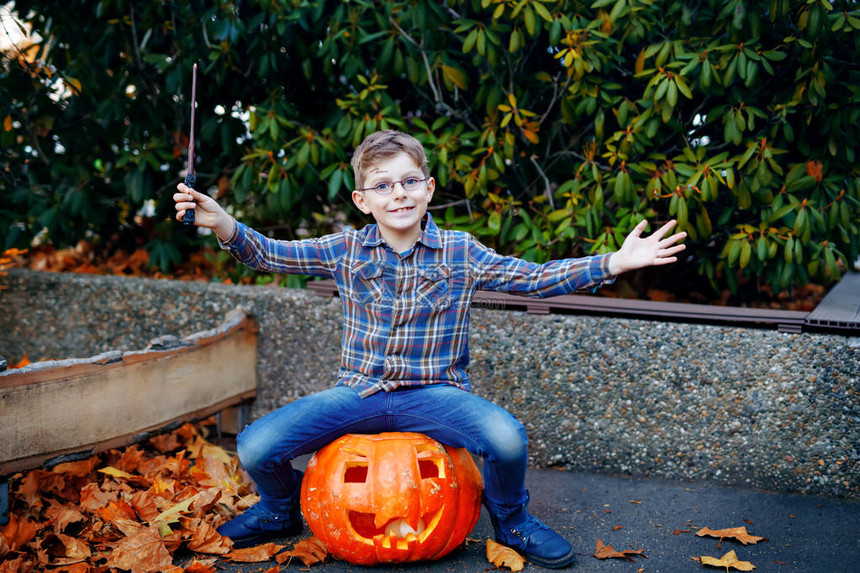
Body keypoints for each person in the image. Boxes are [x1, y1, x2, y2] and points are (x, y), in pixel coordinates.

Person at [173, 129, 686, 569]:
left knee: (507, 438)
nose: (398, 194)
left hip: (436, 394)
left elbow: (532, 279)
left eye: (408, 181)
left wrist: (612, 264)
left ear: (428, 188)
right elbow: (271, 254)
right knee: (257, 446)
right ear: (362, 200)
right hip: (360, 392)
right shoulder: (346, 248)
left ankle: (513, 522)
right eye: (382, 185)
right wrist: (223, 223)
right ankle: (278, 508)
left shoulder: (461, 251)